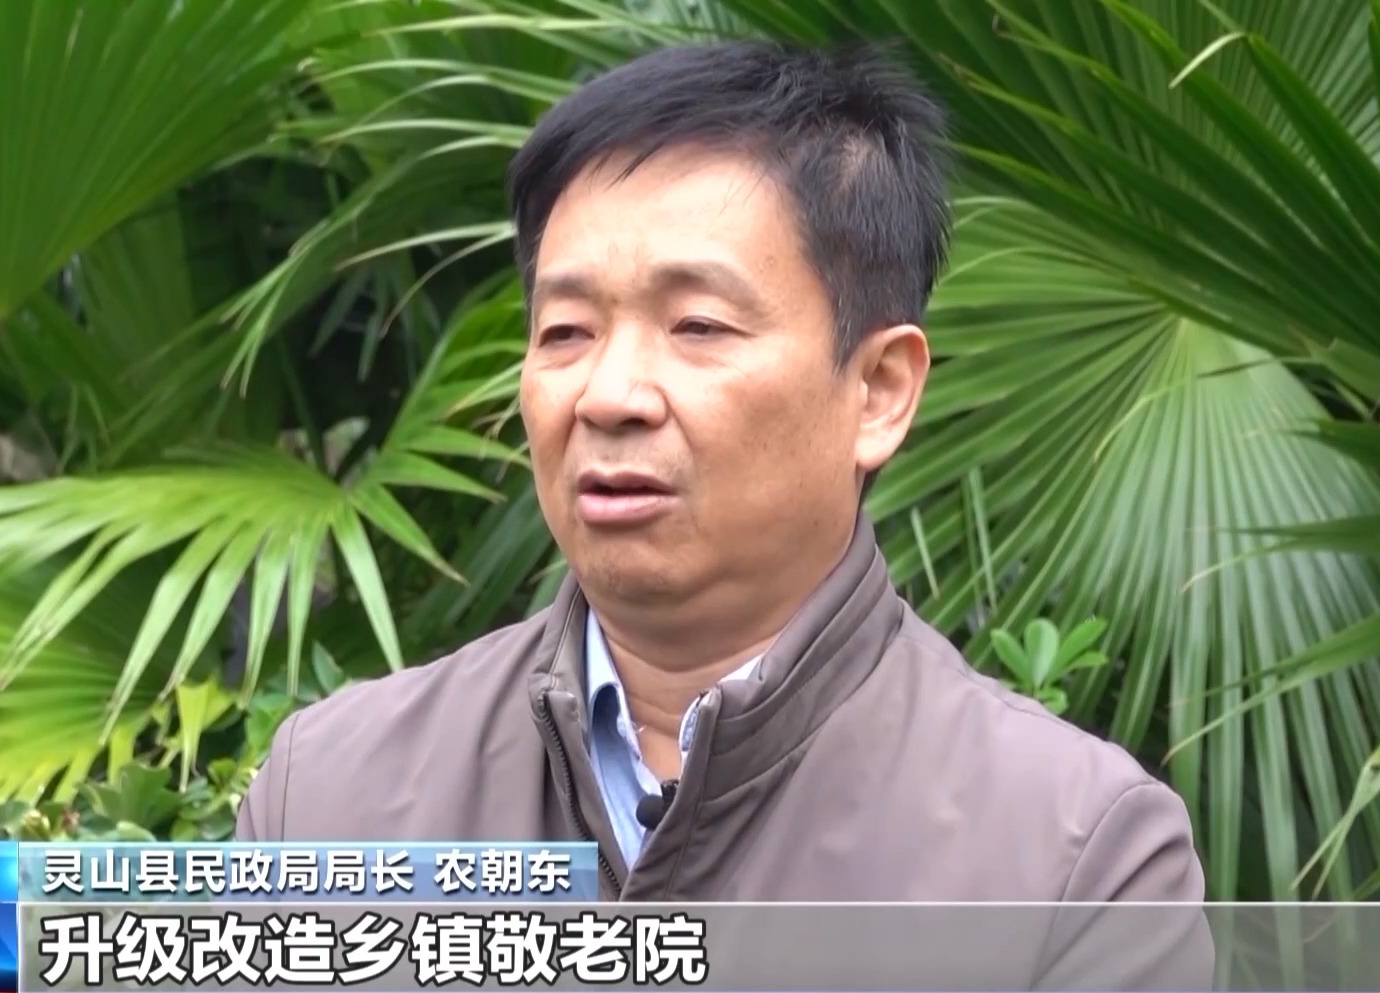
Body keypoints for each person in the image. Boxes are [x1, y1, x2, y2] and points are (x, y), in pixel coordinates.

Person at [239, 38, 1212, 989]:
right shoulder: (327, 794)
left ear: (878, 390)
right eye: (566, 331)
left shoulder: (1076, 862)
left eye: (697, 325)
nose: (609, 394)